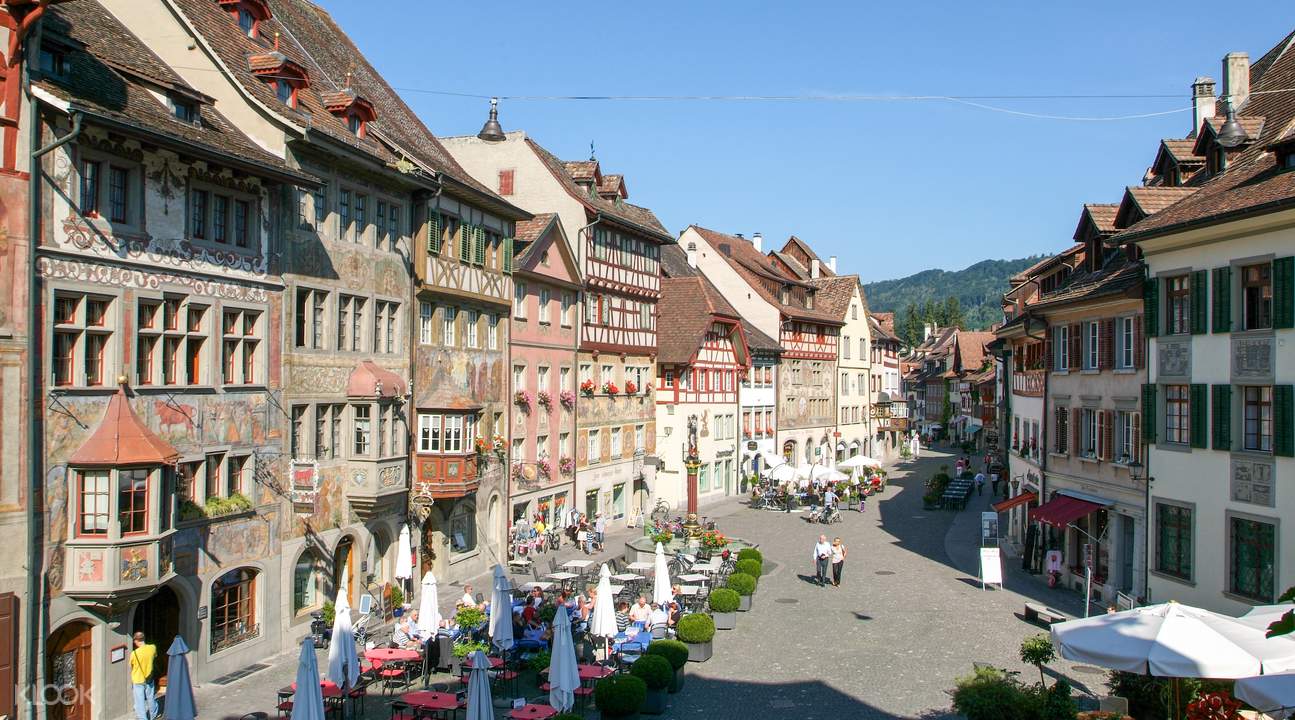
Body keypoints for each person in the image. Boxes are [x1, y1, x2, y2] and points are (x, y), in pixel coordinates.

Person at [129, 631, 157, 720]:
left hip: (138, 680)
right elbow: (154, 657)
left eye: (134, 640)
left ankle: (143, 718)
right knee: (151, 697)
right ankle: (153, 715)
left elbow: (131, 665)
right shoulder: (153, 648)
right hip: (149, 678)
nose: (134, 642)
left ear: (137, 640)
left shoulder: (134, 653)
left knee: (139, 701)